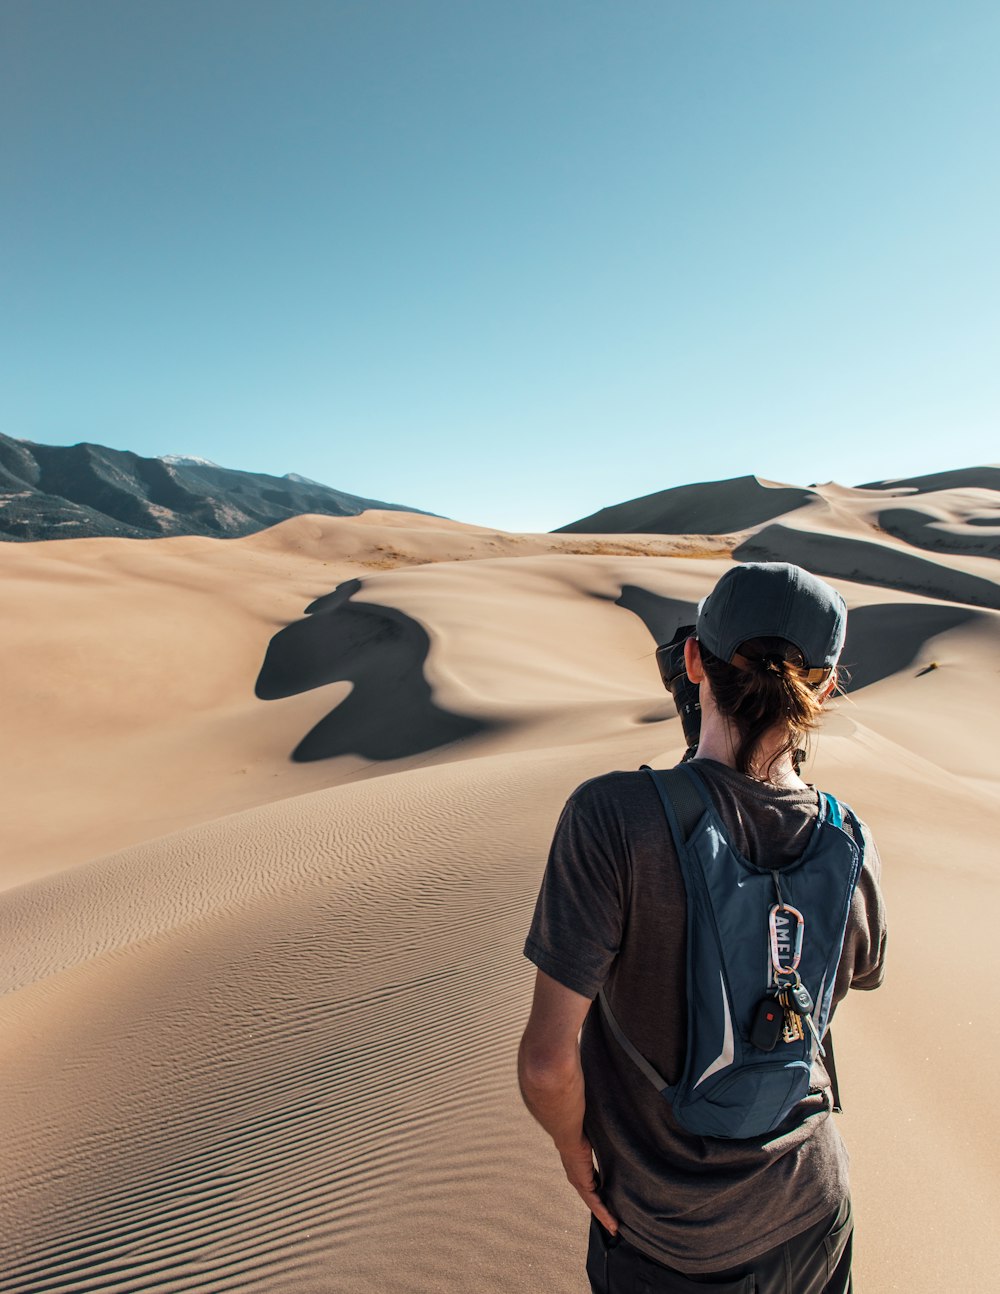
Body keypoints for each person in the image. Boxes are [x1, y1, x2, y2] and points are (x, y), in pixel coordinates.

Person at [518, 562, 887, 1294]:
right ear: (827, 687)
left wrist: (571, 1150)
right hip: (813, 1214)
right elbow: (845, 980)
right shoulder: (852, 842)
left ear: (692, 662)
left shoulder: (614, 818)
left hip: (667, 1241)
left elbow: (547, 1064)